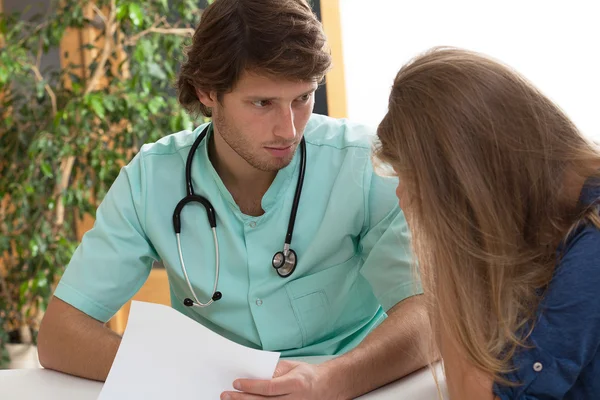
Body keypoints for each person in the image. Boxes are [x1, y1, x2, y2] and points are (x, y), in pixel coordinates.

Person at [37, 0, 430, 398]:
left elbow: (429, 316)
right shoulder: (150, 178)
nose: (288, 129)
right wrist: (173, 372)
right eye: (263, 103)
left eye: (303, 98)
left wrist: (335, 380)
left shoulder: (364, 163)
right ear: (207, 91)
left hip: (358, 387)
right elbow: (60, 336)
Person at [374, 46, 600, 399]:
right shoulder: (554, 221)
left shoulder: (592, 248)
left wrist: (441, 240)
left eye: (410, 180)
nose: (402, 196)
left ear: (462, 180)